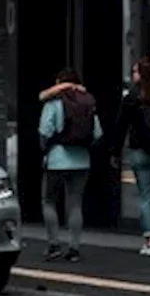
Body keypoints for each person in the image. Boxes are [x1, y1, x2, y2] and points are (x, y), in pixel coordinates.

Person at [38, 68, 103, 262]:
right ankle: (74, 248)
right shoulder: (87, 103)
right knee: (75, 204)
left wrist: (45, 150)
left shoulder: (53, 102)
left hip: (56, 160)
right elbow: (98, 133)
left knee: (48, 201)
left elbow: (45, 131)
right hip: (82, 160)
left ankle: (53, 244)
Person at [110, 57, 150, 255]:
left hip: (139, 151)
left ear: (141, 75)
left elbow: (121, 127)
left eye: (135, 71)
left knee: (146, 196)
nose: (133, 74)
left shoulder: (132, 97)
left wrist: (115, 151)